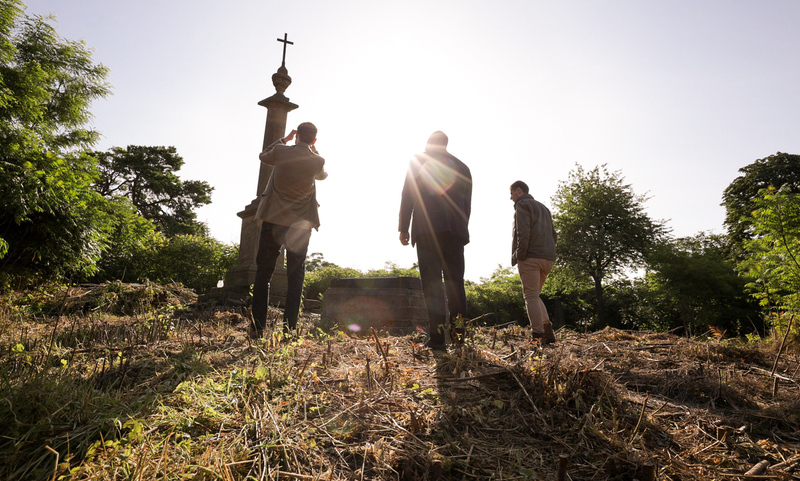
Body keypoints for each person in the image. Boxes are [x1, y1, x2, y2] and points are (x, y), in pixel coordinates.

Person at [251, 122, 327, 337]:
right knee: (296, 275)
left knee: (264, 273)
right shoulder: (317, 160)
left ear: (296, 136)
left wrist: (284, 139)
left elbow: (263, 155)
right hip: (300, 225)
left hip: (273, 220)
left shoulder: (281, 152)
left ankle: (258, 327)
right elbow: (323, 175)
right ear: (313, 140)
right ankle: (289, 329)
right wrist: (314, 149)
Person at [399, 131, 472, 349]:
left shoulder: (418, 161)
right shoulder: (463, 167)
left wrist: (404, 228)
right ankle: (459, 336)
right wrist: (461, 227)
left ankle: (437, 337)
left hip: (427, 230)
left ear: (429, 143)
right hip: (455, 232)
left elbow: (408, 195)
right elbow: (467, 205)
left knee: (432, 284)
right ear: (446, 145)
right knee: (456, 283)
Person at [510, 180, 557, 344]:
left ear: (519, 191)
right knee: (535, 296)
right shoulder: (544, 208)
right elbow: (554, 235)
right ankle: (548, 333)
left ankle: (538, 337)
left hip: (531, 257)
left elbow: (523, 232)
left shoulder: (522, 205)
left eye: (511, 193)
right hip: (548, 258)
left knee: (530, 297)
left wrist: (520, 255)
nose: (510, 198)